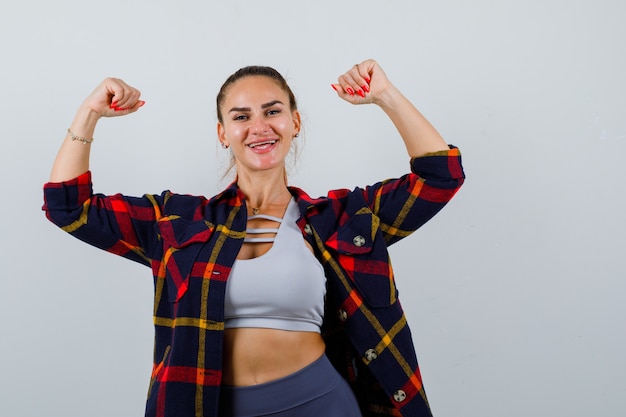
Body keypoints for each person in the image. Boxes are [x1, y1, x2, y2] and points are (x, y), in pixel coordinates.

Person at [43, 59, 465, 417]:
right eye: (241, 116)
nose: (259, 127)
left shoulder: (340, 219)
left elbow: (440, 177)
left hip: (321, 402)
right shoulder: (178, 221)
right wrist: (90, 112)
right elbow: (69, 207)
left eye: (272, 111)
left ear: (294, 122)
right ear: (223, 133)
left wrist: (385, 95)